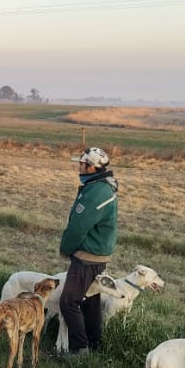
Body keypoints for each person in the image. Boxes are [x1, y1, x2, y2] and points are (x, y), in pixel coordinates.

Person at [57, 147, 119, 356]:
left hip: (87, 257)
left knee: (68, 302)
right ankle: (95, 344)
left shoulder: (96, 192)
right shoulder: (99, 187)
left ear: (92, 167)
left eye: (81, 164)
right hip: (97, 254)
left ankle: (80, 348)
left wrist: (66, 248)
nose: (79, 166)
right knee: (90, 302)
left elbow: (79, 226)